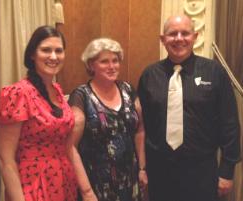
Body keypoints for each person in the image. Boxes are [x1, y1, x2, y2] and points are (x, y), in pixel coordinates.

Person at [138, 14, 240, 201]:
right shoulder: (149, 76)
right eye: (172, 34)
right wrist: (142, 168)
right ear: (163, 40)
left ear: (195, 36)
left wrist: (227, 171)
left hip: (202, 173)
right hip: (159, 172)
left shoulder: (215, 72)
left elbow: (230, 124)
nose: (179, 38)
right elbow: (141, 127)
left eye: (185, 33)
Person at [0, 25, 96, 201]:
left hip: (64, 183)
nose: (53, 56)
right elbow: (6, 159)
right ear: (32, 55)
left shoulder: (57, 90)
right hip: (32, 186)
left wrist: (87, 192)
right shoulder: (18, 93)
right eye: (46, 50)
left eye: (59, 50)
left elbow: (67, 146)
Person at [68, 38, 148, 201]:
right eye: (104, 61)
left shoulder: (128, 89)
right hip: (96, 184)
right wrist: (87, 191)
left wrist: (142, 168)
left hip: (130, 181)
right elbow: (70, 147)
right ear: (91, 65)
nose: (112, 66)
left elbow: (140, 130)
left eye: (115, 61)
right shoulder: (81, 96)